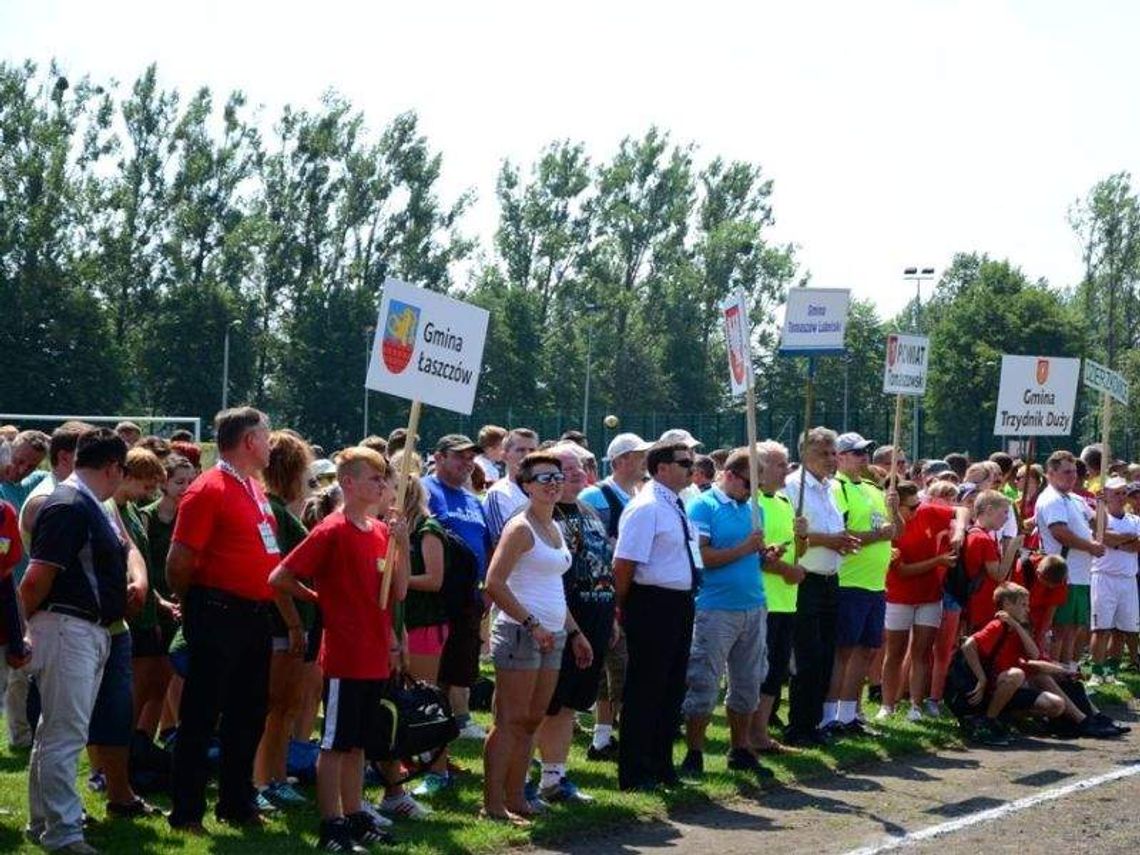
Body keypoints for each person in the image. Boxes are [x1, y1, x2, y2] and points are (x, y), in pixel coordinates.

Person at [269, 446, 408, 851]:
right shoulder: (331, 530)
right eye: (374, 477)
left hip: (373, 653)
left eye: (384, 478)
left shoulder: (381, 530)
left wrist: (400, 545)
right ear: (348, 483)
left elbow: (397, 591)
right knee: (335, 743)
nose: (382, 484)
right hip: (345, 655)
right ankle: (331, 824)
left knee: (359, 743)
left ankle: (355, 813)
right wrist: (319, 599)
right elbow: (281, 576)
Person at [166, 407, 278, 831]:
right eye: (267, 436)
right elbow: (179, 561)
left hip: (253, 615)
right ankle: (187, 812)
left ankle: (236, 802)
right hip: (216, 613)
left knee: (248, 714)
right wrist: (195, 605)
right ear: (249, 440)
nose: (271, 444)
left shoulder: (252, 486)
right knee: (200, 716)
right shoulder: (207, 488)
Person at [21, 428, 132, 852]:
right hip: (68, 629)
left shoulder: (89, 502)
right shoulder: (70, 504)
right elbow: (36, 578)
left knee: (55, 732)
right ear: (112, 467)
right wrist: (18, 633)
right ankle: (64, 832)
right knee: (65, 735)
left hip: (84, 629)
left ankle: (42, 822)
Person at [483, 451, 590, 822]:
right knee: (510, 720)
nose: (553, 483)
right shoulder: (520, 527)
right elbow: (494, 584)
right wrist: (532, 624)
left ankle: (517, 798)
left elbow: (553, 588)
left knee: (532, 720)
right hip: (519, 634)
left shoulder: (555, 526)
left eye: (557, 476)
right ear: (526, 486)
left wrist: (574, 632)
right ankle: (493, 804)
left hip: (553, 636)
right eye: (544, 478)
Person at [679, 448, 773, 780]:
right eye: (749, 483)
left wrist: (763, 554)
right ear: (730, 475)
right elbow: (701, 556)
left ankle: (740, 747)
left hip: (752, 603)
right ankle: (694, 751)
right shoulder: (703, 506)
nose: (752, 491)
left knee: (748, 681)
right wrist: (745, 548)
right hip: (715, 607)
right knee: (704, 680)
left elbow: (752, 554)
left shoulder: (753, 508)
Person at [533, 443, 616, 803]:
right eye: (567, 467)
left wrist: (611, 616)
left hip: (596, 618)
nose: (579, 471)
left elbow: (603, 564)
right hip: (562, 623)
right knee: (547, 704)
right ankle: (526, 775)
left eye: (582, 465)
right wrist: (571, 627)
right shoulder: (542, 517)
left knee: (569, 704)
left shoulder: (588, 510)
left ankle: (555, 777)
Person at [613, 441, 698, 791]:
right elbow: (625, 563)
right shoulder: (646, 507)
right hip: (651, 603)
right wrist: (620, 608)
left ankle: (661, 763)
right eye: (684, 464)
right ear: (662, 468)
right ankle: (635, 770)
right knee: (645, 688)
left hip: (679, 601)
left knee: (671, 687)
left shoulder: (674, 504)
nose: (692, 470)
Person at [423, 434, 493, 790]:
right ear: (438, 456)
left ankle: (441, 756)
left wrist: (487, 588)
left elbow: (486, 545)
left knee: (455, 678)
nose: (467, 463)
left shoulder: (472, 498)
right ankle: (428, 757)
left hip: (469, 599)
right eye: (459, 457)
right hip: (437, 600)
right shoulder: (426, 491)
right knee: (433, 681)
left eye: (471, 458)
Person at [782, 428, 860, 747]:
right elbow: (791, 536)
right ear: (804, 453)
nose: (830, 459)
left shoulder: (830, 488)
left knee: (826, 654)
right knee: (808, 655)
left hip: (830, 578)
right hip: (806, 578)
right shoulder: (793, 487)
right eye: (823, 453)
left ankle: (814, 722)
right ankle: (799, 726)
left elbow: (831, 528)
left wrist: (842, 541)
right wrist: (830, 540)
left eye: (832, 453)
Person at [13, 422, 89, 749]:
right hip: (42, 600)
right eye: (87, 455)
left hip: (52, 602)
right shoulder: (45, 500)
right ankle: (22, 736)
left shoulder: (73, 493)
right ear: (65, 457)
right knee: (24, 673)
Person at [578, 431, 649, 760]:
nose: (644, 460)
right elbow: (588, 544)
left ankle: (603, 738)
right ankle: (607, 735)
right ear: (620, 461)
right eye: (638, 455)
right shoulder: (597, 496)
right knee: (614, 669)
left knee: (616, 669)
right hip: (605, 592)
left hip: (634, 592)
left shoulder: (638, 492)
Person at [822, 432, 899, 736]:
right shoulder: (836, 488)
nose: (863, 457)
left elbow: (895, 531)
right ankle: (829, 715)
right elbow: (842, 534)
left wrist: (893, 509)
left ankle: (849, 713)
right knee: (843, 651)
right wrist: (877, 536)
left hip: (874, 583)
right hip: (849, 580)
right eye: (856, 453)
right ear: (839, 457)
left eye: (866, 452)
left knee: (867, 650)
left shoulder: (872, 488)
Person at [254, 430, 316, 808]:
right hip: (279, 627)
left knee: (287, 708)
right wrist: (294, 623)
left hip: (292, 626)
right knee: (272, 708)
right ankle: (262, 780)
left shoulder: (278, 509)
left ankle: (276, 776)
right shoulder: (272, 510)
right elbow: (275, 575)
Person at [880, 480, 967, 721]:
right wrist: (938, 561)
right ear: (895, 507)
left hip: (930, 596)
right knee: (895, 652)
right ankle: (887, 705)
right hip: (899, 596)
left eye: (917, 504)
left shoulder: (926, 511)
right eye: (911, 507)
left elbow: (961, 510)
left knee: (922, 651)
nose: (917, 509)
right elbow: (903, 571)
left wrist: (959, 530)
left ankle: (916, 705)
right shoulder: (889, 529)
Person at [751, 440, 806, 754]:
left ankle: (761, 733)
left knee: (775, 672)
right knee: (757, 671)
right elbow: (757, 554)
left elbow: (798, 551)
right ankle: (749, 734)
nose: (786, 469)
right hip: (763, 599)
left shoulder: (786, 503)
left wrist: (802, 536)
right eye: (779, 464)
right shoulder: (753, 503)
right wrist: (785, 570)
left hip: (787, 600)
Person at [138, 454, 195, 740]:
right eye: (179, 481)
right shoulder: (147, 516)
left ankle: (171, 729)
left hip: (182, 601)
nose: (186, 487)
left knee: (176, 672)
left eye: (190, 481)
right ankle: (150, 734)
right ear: (164, 483)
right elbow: (143, 566)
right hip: (154, 600)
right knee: (155, 675)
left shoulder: (192, 516)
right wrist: (159, 600)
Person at [1036, 451, 1104, 667]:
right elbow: (1059, 532)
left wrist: (1102, 505)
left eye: (1074, 472)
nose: (1072, 476)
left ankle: (1070, 668)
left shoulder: (1075, 498)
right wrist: (1090, 546)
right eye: (1066, 472)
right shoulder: (1051, 499)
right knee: (1060, 628)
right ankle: (1057, 670)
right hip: (1063, 573)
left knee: (1074, 627)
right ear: (1051, 473)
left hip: (1080, 573)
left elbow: (1099, 525)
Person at [1088, 477, 1140, 684]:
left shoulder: (1135, 520)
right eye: (1115, 493)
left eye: (1123, 493)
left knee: (1122, 629)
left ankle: (1111, 672)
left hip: (1128, 580)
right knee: (1101, 628)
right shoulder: (1101, 518)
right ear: (1106, 495)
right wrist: (1123, 539)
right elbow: (1101, 536)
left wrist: (1115, 541)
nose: (1120, 497)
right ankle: (1096, 672)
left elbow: (1137, 545)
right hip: (1104, 577)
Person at [964, 490, 1015, 632]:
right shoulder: (982, 539)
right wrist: (1012, 548)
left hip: (977, 601)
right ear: (990, 510)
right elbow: (998, 574)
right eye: (1004, 512)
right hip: (980, 603)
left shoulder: (975, 533)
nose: (1006, 518)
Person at [484, 428, 540, 543]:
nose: (527, 455)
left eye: (532, 450)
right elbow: (501, 543)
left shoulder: (545, 492)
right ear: (504, 456)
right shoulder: (499, 494)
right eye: (520, 450)